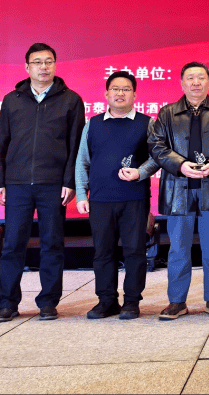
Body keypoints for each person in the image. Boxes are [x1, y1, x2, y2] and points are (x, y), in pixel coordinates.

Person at [0, 42, 85, 322]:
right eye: (37, 62)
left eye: (48, 61)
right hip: (17, 183)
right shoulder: (12, 99)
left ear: (55, 65)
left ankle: (48, 302)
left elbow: (76, 146)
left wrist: (71, 181)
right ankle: (7, 303)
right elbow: (0, 143)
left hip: (53, 184)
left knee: (52, 244)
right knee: (12, 245)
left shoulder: (71, 100)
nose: (43, 67)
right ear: (27, 67)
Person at [148, 62, 209, 319]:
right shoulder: (167, 113)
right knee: (178, 249)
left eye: (201, 78)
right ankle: (177, 301)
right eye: (190, 78)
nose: (196, 82)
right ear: (182, 83)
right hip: (178, 189)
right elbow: (156, 146)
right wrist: (180, 165)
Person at [75, 71, 160, 320]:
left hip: (134, 198)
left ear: (135, 94)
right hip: (100, 198)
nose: (120, 93)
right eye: (115, 89)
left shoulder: (147, 123)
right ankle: (106, 301)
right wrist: (81, 194)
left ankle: (132, 302)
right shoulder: (93, 124)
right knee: (103, 253)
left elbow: (157, 157)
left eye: (126, 89)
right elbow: (82, 161)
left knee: (135, 251)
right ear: (106, 94)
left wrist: (140, 172)